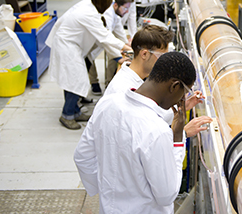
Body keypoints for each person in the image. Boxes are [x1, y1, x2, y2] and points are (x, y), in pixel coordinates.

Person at [74, 52, 196, 213]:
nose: (182, 98)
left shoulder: (107, 104)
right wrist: (178, 139)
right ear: (174, 86)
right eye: (185, 91)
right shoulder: (157, 131)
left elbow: (82, 156)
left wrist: (108, 191)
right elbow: (166, 194)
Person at [103, 24, 212, 137]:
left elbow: (149, 113)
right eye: (161, 56)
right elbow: (141, 137)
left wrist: (184, 105)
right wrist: (182, 133)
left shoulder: (138, 80)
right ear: (144, 54)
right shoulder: (122, 89)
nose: (164, 62)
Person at [46, 0, 131, 130]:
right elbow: (105, 38)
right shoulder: (89, 14)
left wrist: (124, 47)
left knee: (73, 80)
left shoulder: (92, 6)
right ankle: (66, 115)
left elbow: (113, 32)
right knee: (75, 81)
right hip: (67, 45)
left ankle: (75, 112)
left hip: (73, 45)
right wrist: (125, 50)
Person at [88, 0, 135, 95]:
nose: (127, 12)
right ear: (115, 5)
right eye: (125, 8)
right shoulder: (107, 15)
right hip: (90, 42)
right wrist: (120, 56)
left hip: (99, 41)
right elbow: (107, 41)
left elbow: (120, 32)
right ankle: (94, 84)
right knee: (88, 61)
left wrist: (128, 45)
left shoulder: (115, 14)